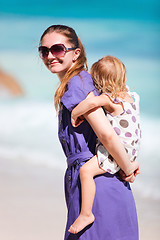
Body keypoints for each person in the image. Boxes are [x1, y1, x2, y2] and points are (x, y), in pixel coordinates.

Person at [38, 24, 139, 240]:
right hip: (98, 183)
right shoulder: (77, 83)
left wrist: (129, 167)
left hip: (99, 192)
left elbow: (107, 135)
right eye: (44, 51)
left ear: (76, 53)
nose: (49, 56)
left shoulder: (78, 84)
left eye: (57, 49)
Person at [69, 55, 141, 234]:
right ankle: (132, 165)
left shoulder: (110, 99)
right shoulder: (132, 96)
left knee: (86, 171)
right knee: (124, 166)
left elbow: (92, 102)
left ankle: (86, 214)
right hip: (131, 150)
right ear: (123, 78)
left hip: (116, 151)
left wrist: (75, 113)